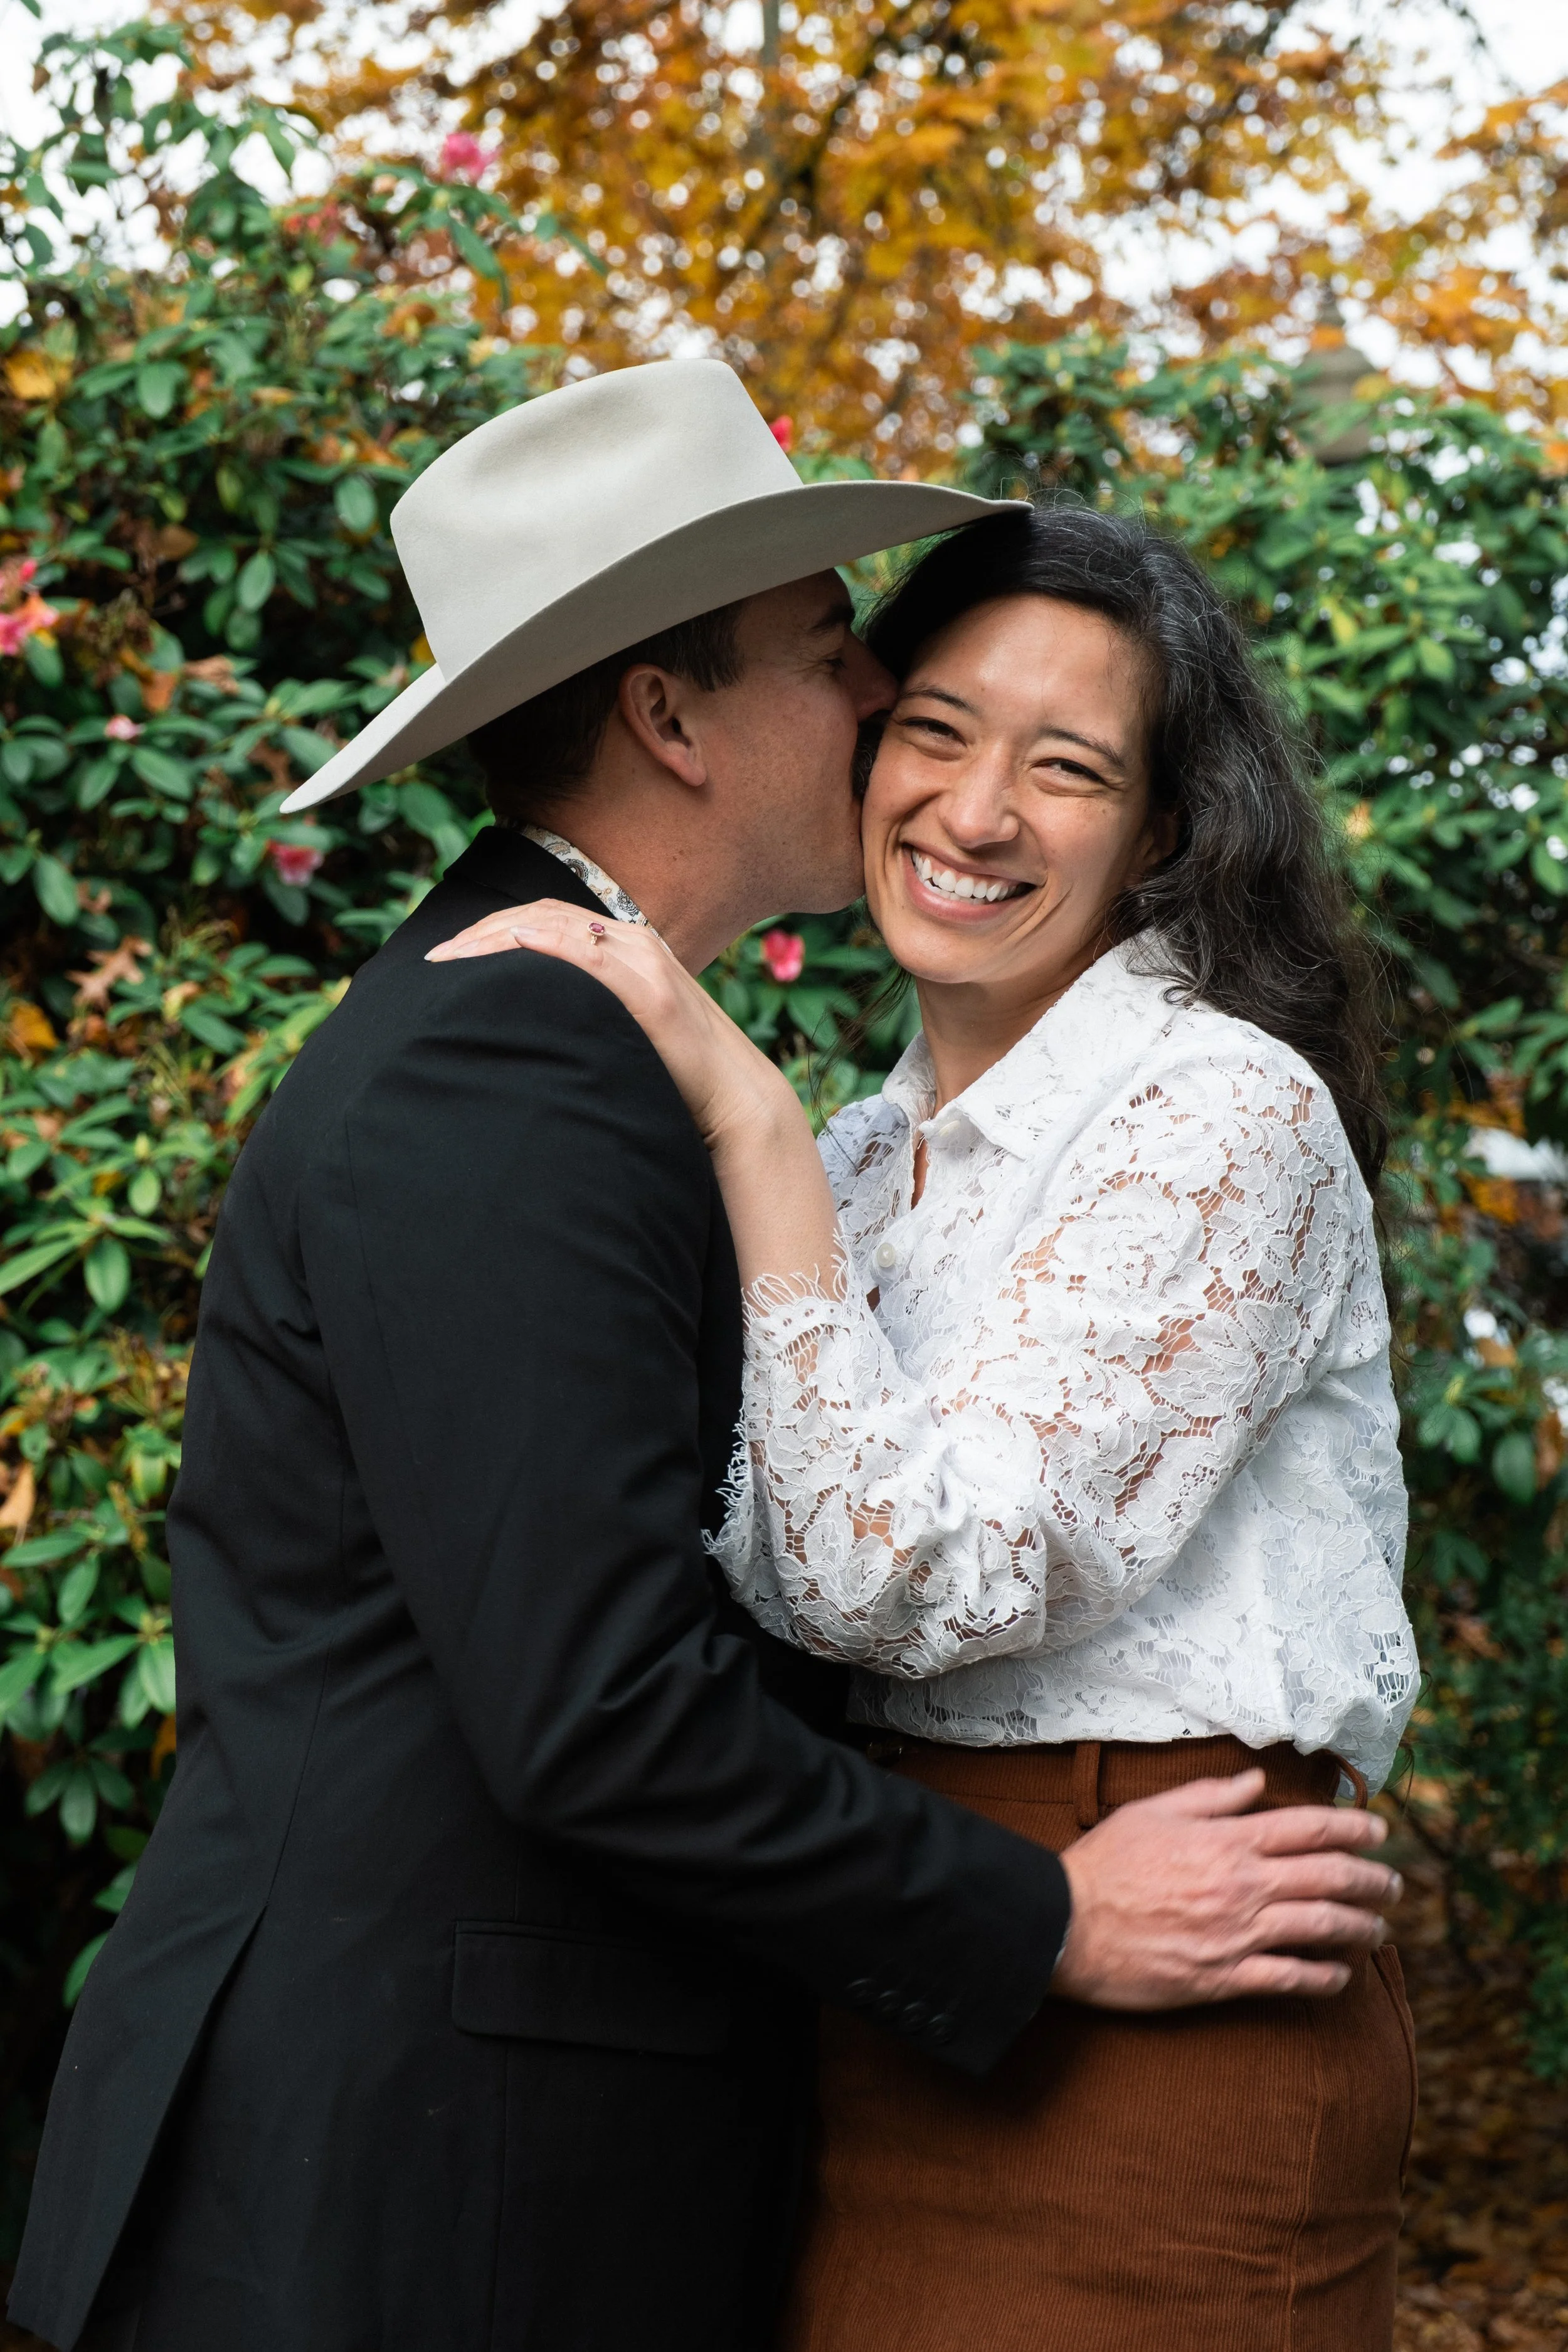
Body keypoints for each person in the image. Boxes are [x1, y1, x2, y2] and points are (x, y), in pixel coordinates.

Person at [10, 366, 1402, 2352]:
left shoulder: (669, 1074)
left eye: (1067, 764)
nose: (866, 706)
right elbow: (596, 1703)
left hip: (641, 2110)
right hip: (424, 2172)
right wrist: (1040, 1916)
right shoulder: (525, 1057)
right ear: (670, 714)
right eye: (843, 656)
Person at [430, 497, 1421, 2351]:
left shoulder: (1218, 1110)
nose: (974, 812)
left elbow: (918, 1574)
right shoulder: (876, 1160)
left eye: (1064, 766)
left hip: (1173, 1963)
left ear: (1161, 834)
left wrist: (748, 1127)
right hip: (921, 1967)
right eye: (938, 729)